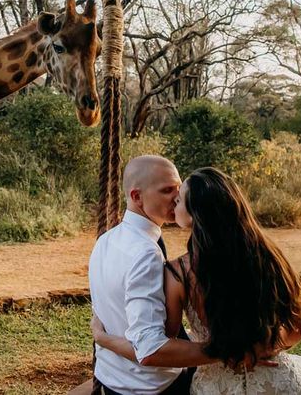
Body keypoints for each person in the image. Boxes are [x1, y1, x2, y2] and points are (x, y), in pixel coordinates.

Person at [92, 165, 301, 395]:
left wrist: (105, 339)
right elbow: (299, 329)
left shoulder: (179, 272)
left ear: (195, 214)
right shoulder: (270, 255)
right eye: (170, 192)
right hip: (276, 382)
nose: (174, 202)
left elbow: (162, 345)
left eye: (179, 197)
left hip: (217, 387)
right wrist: (257, 349)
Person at [89, 155, 228, 395]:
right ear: (136, 197)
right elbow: (151, 349)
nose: (177, 197)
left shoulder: (105, 240)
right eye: (166, 191)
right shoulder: (145, 253)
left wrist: (103, 339)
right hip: (152, 388)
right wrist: (228, 352)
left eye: (178, 189)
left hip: (111, 380)